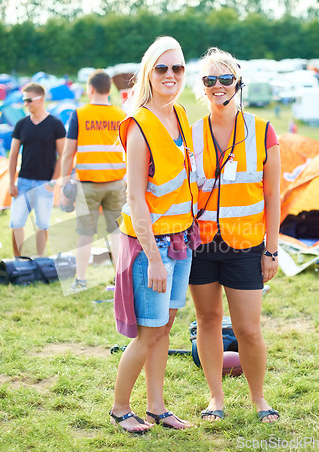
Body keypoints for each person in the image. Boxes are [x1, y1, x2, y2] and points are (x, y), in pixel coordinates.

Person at [110, 36, 199, 433]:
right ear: (148, 72)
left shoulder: (179, 115)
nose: (170, 75)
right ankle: (119, 408)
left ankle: (157, 408)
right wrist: (156, 257)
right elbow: (135, 197)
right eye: (162, 68)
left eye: (177, 68)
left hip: (181, 239)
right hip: (153, 247)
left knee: (164, 328)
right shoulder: (138, 125)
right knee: (148, 333)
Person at [189, 47, 281, 423]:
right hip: (201, 247)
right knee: (208, 322)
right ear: (202, 86)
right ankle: (216, 399)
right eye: (210, 80)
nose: (218, 86)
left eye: (225, 78)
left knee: (248, 329)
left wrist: (271, 251)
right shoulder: (191, 133)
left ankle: (260, 400)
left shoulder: (263, 130)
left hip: (246, 247)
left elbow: (273, 195)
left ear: (238, 82)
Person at [60, 69, 126, 291]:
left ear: (90, 89)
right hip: (116, 182)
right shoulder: (120, 114)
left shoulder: (79, 114)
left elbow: (69, 152)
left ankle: (81, 280)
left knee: (85, 234)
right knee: (116, 234)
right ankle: (119, 281)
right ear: (109, 90)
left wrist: (63, 181)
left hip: (87, 184)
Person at [9, 82, 66, 257]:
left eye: (28, 100)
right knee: (16, 222)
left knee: (42, 224)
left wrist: (53, 182)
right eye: (24, 100)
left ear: (40, 99)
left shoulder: (55, 124)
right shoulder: (21, 124)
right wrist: (11, 182)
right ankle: (18, 260)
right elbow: (13, 155)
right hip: (23, 181)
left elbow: (62, 156)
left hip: (44, 183)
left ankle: (40, 259)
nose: (25, 104)